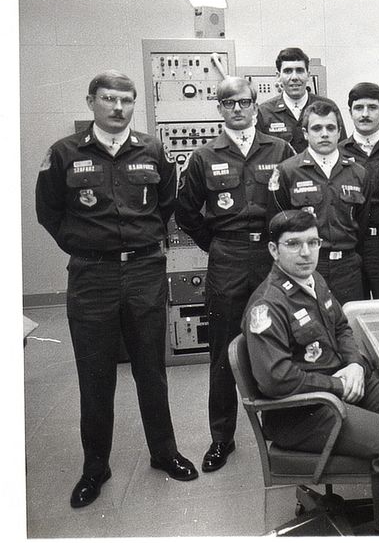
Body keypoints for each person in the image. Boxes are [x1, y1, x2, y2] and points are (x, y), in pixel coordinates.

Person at [35, 70, 198, 508]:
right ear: (91, 101)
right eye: (109, 98)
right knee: (95, 375)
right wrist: (85, 245)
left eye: (126, 100)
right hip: (92, 276)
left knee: (151, 368)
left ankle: (164, 452)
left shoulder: (153, 150)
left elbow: (166, 204)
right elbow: (48, 212)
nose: (118, 107)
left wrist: (141, 243)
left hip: (144, 270)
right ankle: (95, 466)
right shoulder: (64, 153)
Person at [243, 210, 379, 535]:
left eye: (312, 242)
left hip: (335, 386)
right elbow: (276, 379)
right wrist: (337, 385)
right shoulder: (268, 305)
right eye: (293, 244)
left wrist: (354, 364)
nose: (306, 252)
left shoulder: (314, 281)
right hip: (303, 412)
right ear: (274, 250)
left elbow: (341, 327)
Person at [175, 76, 294, 472]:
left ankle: (288, 430)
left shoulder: (280, 149)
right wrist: (215, 243)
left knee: (280, 341)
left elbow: (295, 201)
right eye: (229, 103)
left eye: (244, 102)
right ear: (220, 108)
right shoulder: (204, 156)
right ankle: (221, 438)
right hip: (227, 255)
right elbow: (186, 211)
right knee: (224, 350)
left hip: (272, 256)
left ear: (255, 105)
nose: (238, 109)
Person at [269, 100, 368, 305]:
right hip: (305, 267)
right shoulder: (287, 172)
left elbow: (363, 224)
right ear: (305, 133)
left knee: (349, 322)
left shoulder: (358, 173)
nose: (324, 134)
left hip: (348, 269)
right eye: (317, 128)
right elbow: (277, 223)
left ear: (339, 132)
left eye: (330, 128)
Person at [337, 82, 379, 298]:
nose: (365, 114)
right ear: (350, 112)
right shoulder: (338, 152)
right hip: (352, 245)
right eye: (358, 108)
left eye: (372, 107)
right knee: (353, 309)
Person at [256, 47, 346, 152]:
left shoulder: (328, 107)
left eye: (299, 71)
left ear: (308, 75)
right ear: (278, 76)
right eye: (288, 71)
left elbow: (342, 150)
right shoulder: (264, 112)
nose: (294, 77)